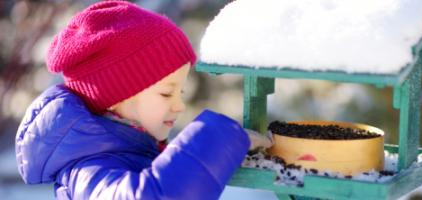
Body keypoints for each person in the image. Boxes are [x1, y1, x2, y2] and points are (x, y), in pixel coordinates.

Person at [15, 1, 272, 199]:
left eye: (180, 92)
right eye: (166, 93)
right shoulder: (89, 171)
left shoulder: (128, 152)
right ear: (116, 97)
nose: (179, 105)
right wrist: (218, 140)